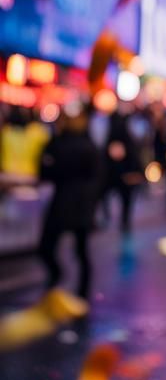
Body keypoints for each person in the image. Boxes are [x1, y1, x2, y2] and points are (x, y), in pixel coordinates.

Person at [36, 107, 102, 299]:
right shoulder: (86, 145)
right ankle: (82, 294)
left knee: (53, 247)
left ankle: (65, 283)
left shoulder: (59, 143)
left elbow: (45, 170)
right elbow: (97, 177)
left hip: (67, 202)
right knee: (80, 252)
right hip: (79, 205)